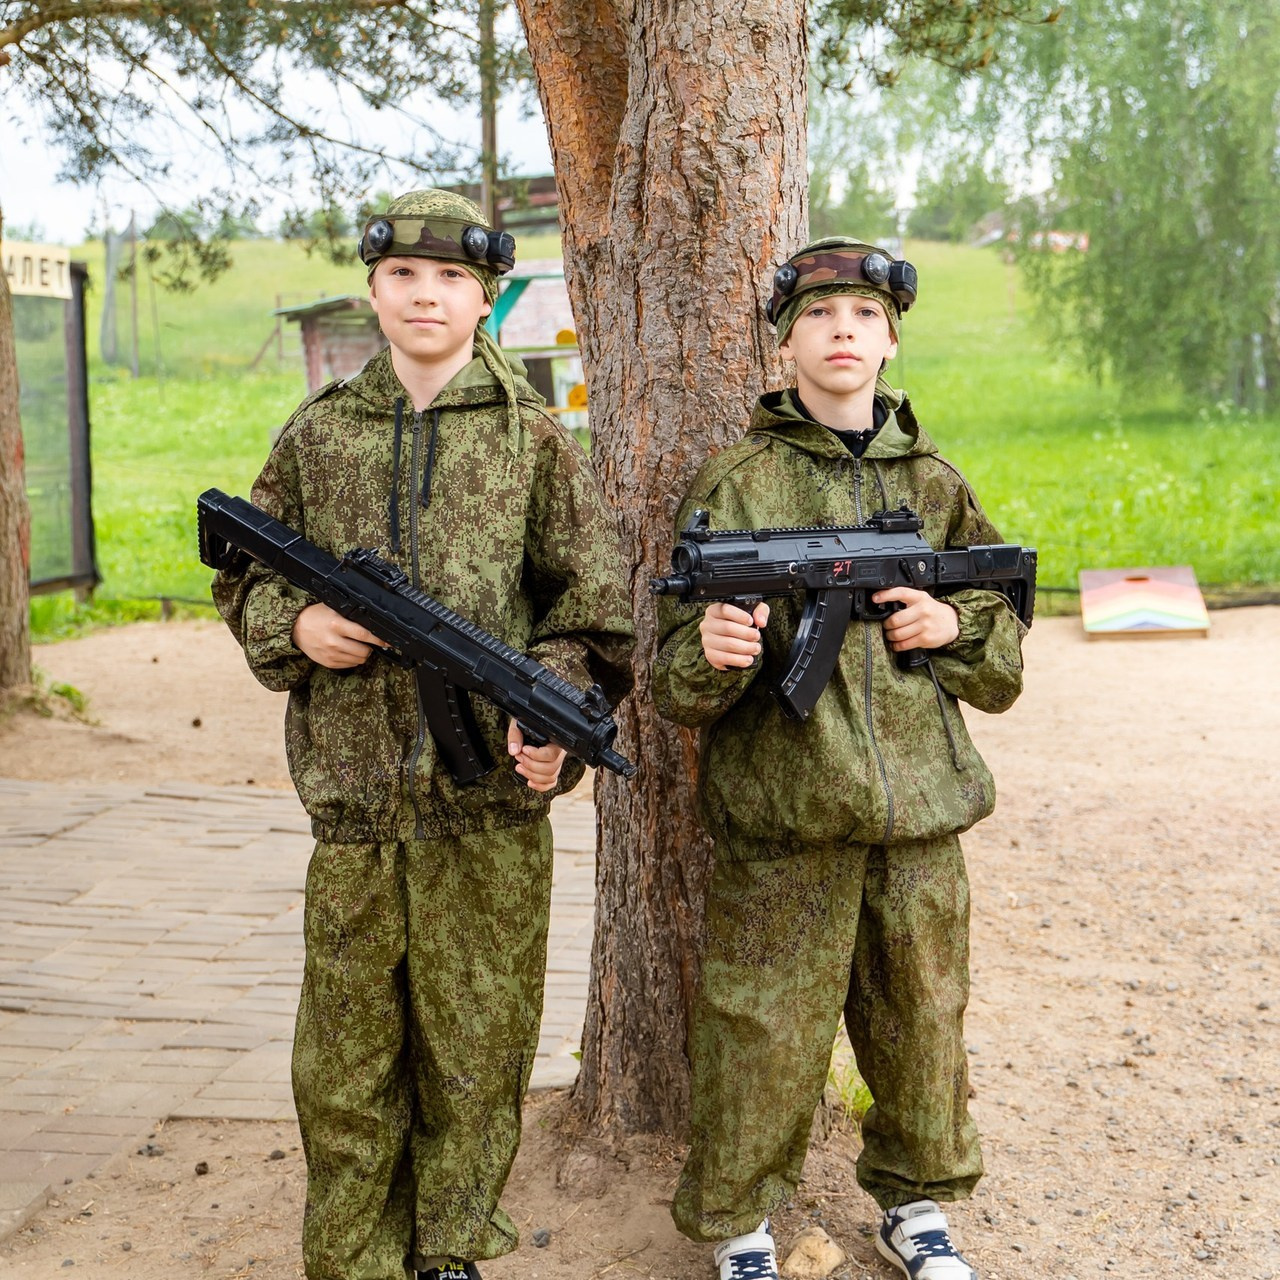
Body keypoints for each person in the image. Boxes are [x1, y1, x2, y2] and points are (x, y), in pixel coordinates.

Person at [212, 189, 634, 1280]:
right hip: (353, 808)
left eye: (450, 279)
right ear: (373, 291)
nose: (425, 296)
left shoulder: (531, 435)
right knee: (344, 1060)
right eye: (404, 277)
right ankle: (349, 1255)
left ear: (486, 298)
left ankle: (450, 1245)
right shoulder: (318, 436)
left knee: (475, 1048)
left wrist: (552, 718)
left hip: (486, 813)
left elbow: (588, 604)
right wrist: (295, 623)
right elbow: (245, 573)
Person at [653, 238, 1027, 1280]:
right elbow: (671, 676)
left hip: (917, 819)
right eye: (819, 318)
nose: (842, 334)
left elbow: (998, 640)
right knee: (757, 1030)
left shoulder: (933, 481)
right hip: (783, 819)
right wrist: (714, 651)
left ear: (891, 337)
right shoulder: (738, 481)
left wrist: (946, 629)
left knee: (920, 1018)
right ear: (784, 343)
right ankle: (737, 1225)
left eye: (863, 317)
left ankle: (918, 1206)